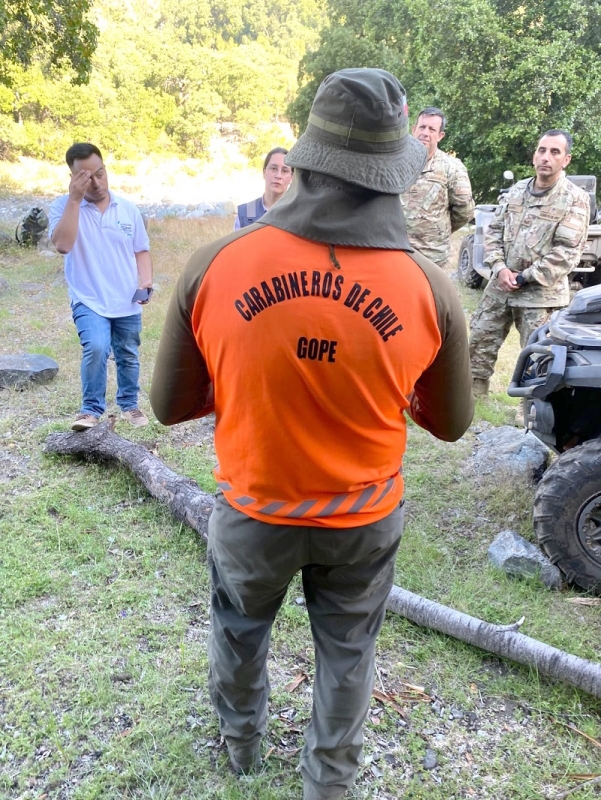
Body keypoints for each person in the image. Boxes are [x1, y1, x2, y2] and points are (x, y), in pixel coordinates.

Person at [150, 68, 473, 800]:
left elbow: (169, 406)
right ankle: (329, 781)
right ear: (393, 174)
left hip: (254, 513)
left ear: (301, 162)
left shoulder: (217, 264)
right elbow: (450, 424)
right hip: (361, 519)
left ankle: (240, 745)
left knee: (239, 632)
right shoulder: (428, 289)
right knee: (349, 654)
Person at [470, 129, 590, 398]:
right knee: (478, 344)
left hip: (539, 295)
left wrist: (524, 277)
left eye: (554, 152)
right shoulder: (516, 191)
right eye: (542, 150)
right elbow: (494, 232)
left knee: (540, 360)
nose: (546, 157)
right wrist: (499, 268)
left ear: (566, 160)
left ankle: (533, 416)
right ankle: (471, 402)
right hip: (500, 288)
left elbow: (566, 253)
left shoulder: (574, 199)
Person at [49, 142, 152, 430]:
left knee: (128, 352)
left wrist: (145, 280)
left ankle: (130, 404)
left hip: (126, 299)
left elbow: (141, 250)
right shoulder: (62, 206)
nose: (96, 183)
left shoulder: (127, 209)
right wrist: (74, 199)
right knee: (95, 346)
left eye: (100, 174)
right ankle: (90, 410)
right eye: (86, 177)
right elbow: (62, 244)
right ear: (73, 178)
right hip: (88, 297)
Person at [400, 107, 474, 268]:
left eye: (432, 129)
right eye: (422, 127)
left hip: (431, 255)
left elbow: (464, 211)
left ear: (440, 136)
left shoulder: (452, 168)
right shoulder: (396, 162)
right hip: (396, 250)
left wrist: (437, 231)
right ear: (413, 129)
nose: (425, 133)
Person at [234, 147, 293, 228]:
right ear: (264, 172)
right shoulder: (248, 211)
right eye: (273, 169)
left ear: (292, 177)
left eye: (285, 171)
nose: (278, 176)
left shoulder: (297, 215)